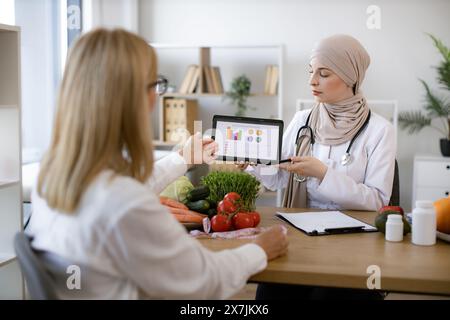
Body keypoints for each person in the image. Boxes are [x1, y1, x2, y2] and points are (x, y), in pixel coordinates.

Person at [26, 28, 288, 300]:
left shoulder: (53, 177)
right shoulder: (124, 205)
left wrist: (183, 159)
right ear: (131, 98)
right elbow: (202, 280)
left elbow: (127, 188)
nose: (157, 95)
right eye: (155, 84)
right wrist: (259, 250)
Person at [239, 34, 395, 299]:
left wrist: (323, 173)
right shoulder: (303, 120)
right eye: (311, 72)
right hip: (302, 236)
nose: (312, 81)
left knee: (325, 297)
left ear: (350, 77)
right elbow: (278, 178)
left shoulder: (380, 130)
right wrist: (253, 163)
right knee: (269, 291)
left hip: (354, 241)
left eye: (323, 74)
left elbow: (377, 200)